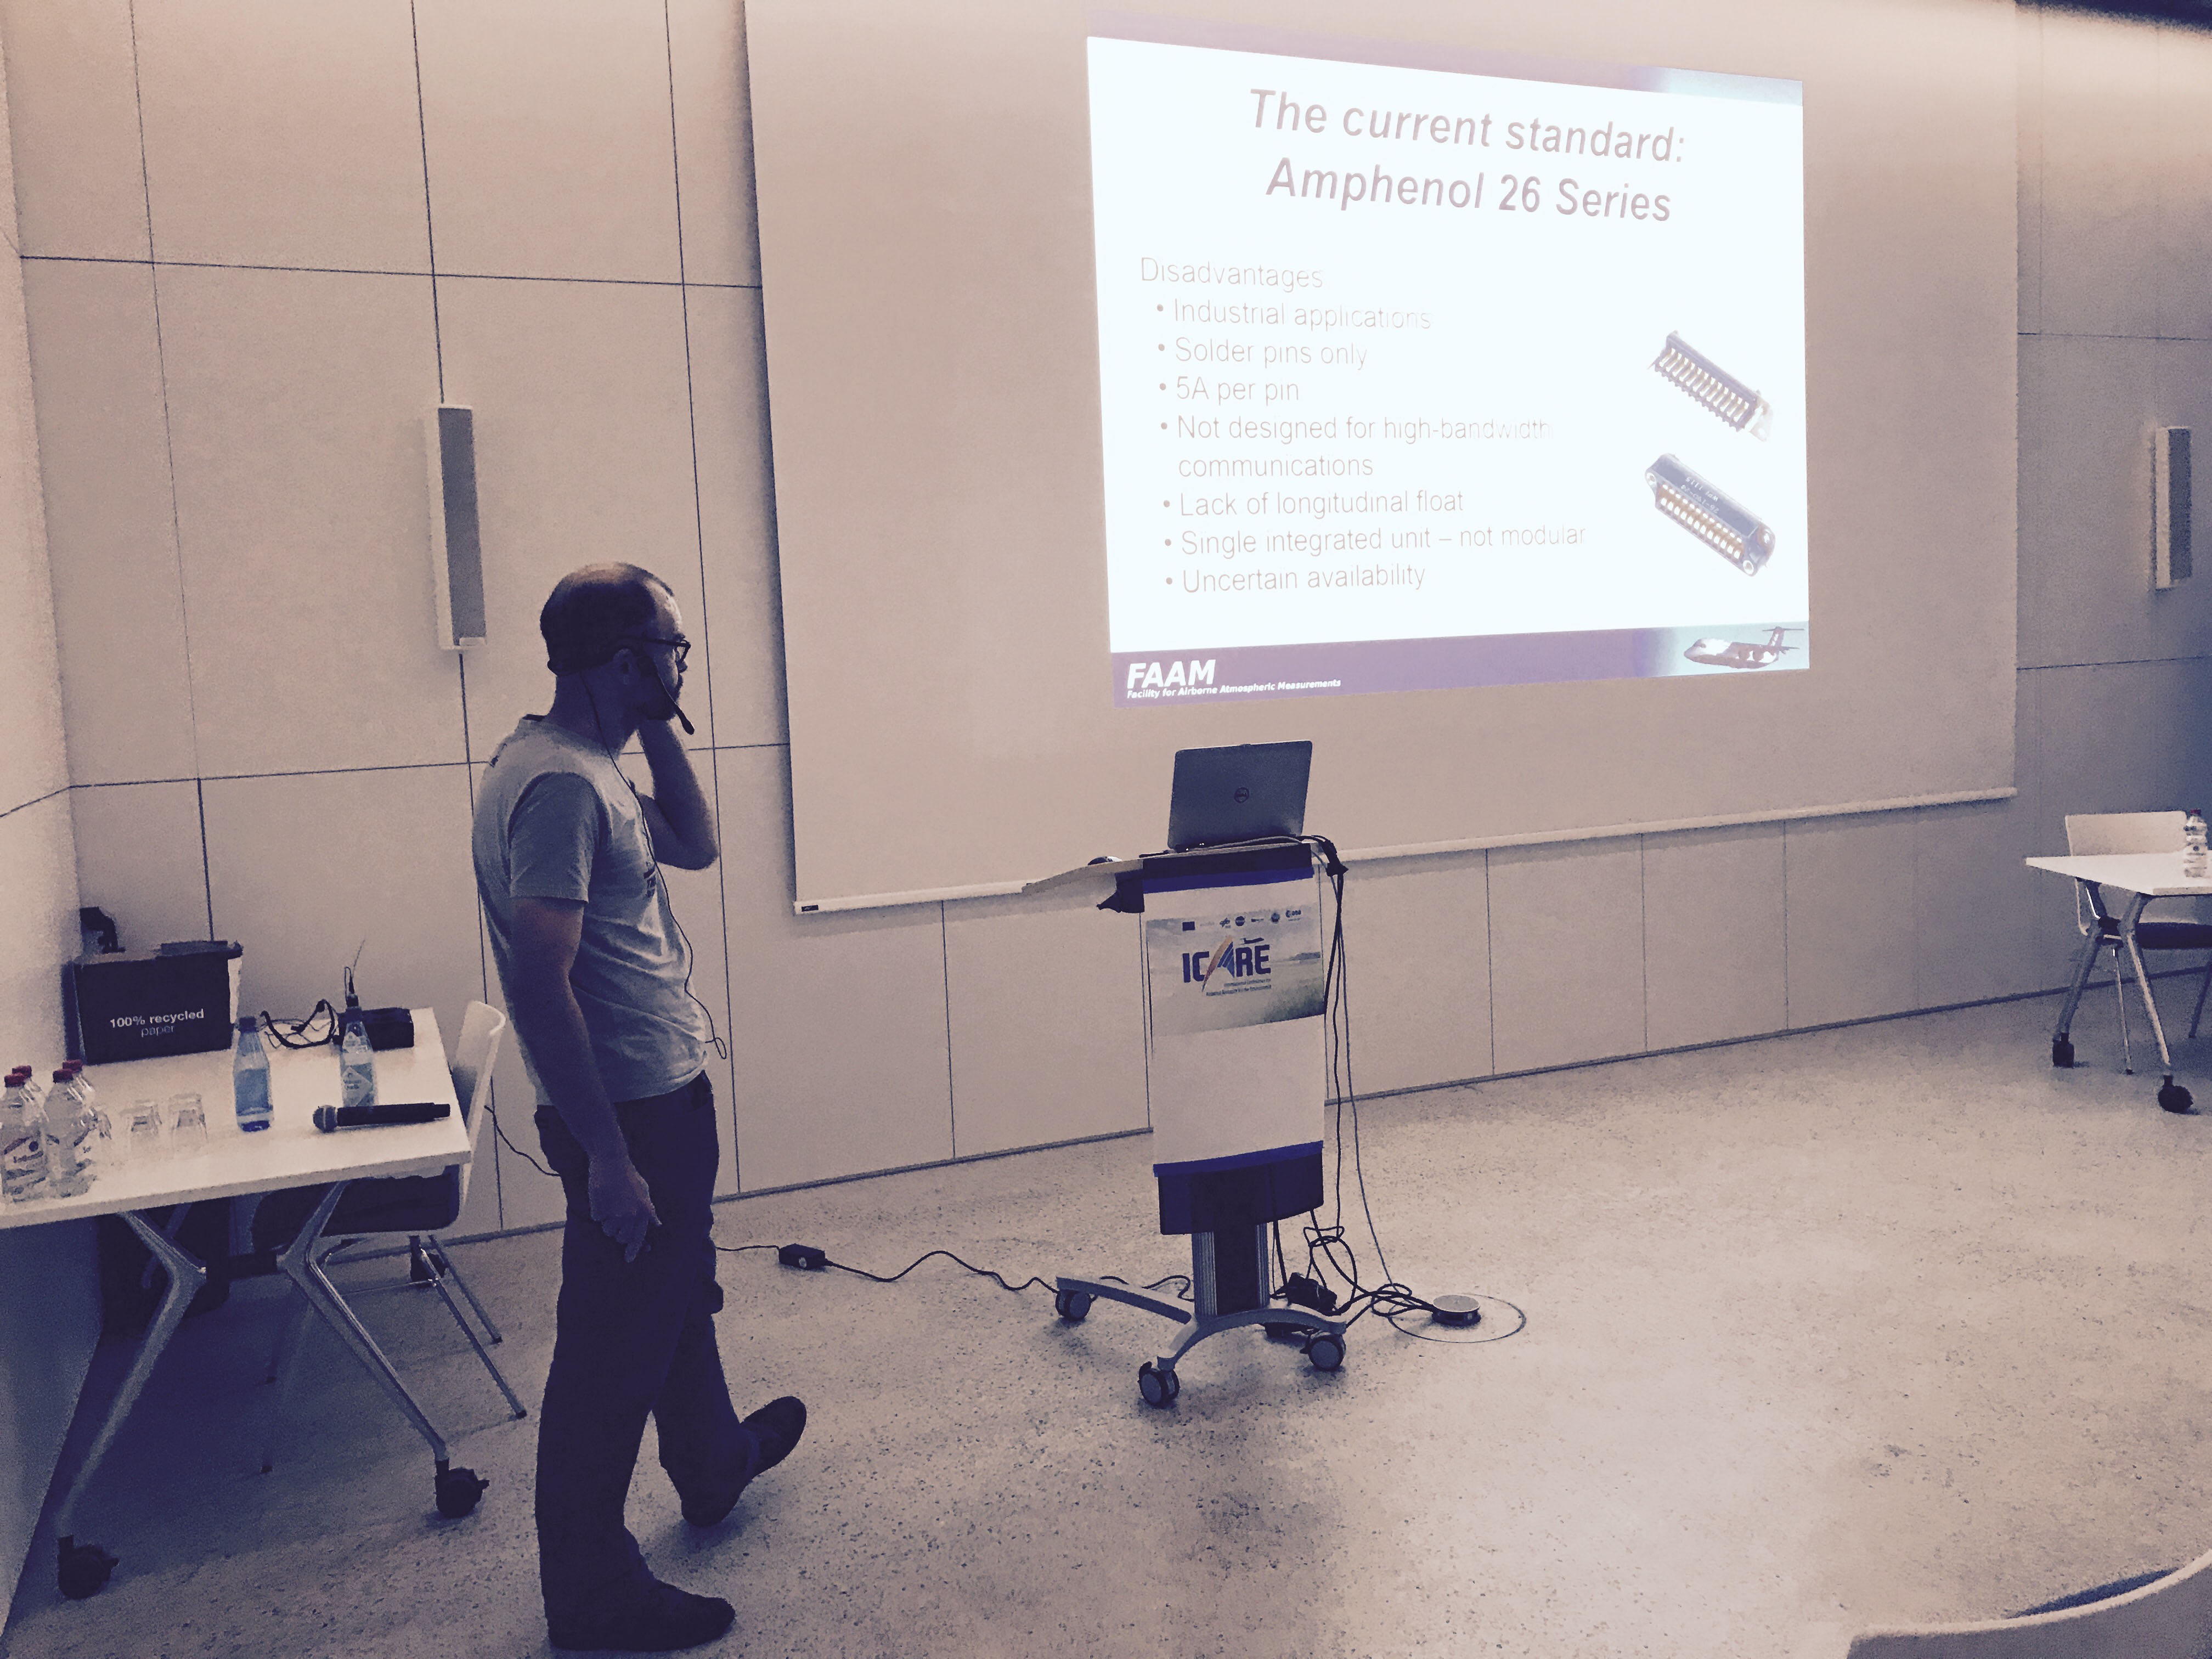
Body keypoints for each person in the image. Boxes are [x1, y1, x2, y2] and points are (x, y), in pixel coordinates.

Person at [472, 563, 805, 1652]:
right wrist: (611, 1158)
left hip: (655, 1093)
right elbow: (539, 980)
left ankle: (711, 1462)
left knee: (670, 1289)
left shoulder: (580, 764)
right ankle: (592, 1594)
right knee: (609, 1352)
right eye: (671, 650)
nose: (682, 664)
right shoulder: (563, 788)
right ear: (624, 660)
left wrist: (655, 717)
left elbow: (696, 844)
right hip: (632, 1112)